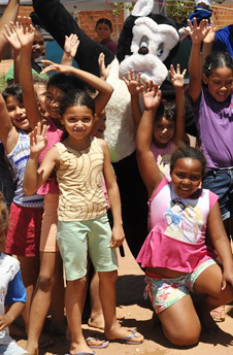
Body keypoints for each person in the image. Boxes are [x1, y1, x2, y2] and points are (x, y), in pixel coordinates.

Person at [24, 87, 144, 355]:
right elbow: (31, 188)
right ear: (63, 120)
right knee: (77, 281)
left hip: (100, 220)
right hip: (71, 224)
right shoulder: (56, 151)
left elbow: (112, 185)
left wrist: (118, 223)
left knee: (109, 274)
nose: (79, 125)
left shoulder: (100, 146)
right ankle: (76, 338)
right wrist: (34, 156)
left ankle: (111, 326)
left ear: (95, 119)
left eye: (86, 119)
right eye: (72, 119)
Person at [135, 82, 233, 346]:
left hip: (196, 267)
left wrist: (229, 268)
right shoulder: (158, 187)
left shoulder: (208, 198)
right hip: (164, 278)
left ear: (201, 178)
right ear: (170, 174)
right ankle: (160, 300)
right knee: (187, 338)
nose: (186, 181)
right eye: (180, 175)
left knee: (231, 287)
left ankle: (200, 308)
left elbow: (219, 239)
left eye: (193, 177)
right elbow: (141, 149)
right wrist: (149, 110)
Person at [187, 18, 233, 315]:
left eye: (227, 82)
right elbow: (193, 74)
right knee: (217, 239)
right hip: (213, 177)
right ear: (206, 80)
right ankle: (222, 288)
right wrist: (197, 44)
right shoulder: (200, 98)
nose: (224, 87)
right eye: (217, 82)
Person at [0, 84, 42, 341]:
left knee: (45, 274)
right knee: (26, 275)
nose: (18, 111)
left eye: (23, 104)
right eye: (11, 107)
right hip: (23, 213)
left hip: (50, 212)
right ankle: (25, 326)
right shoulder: (13, 138)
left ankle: (36, 321)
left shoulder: (51, 133)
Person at [124, 65, 187, 180]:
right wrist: (134, 96)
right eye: (159, 126)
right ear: (151, 126)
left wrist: (179, 90)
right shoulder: (147, 147)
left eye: (170, 126)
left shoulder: (176, 143)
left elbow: (181, 116)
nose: (165, 131)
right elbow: (138, 122)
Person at [0, 200, 29, 355]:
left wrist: (9, 317)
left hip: (2, 345)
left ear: (2, 234)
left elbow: (19, 298)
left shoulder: (10, 265)